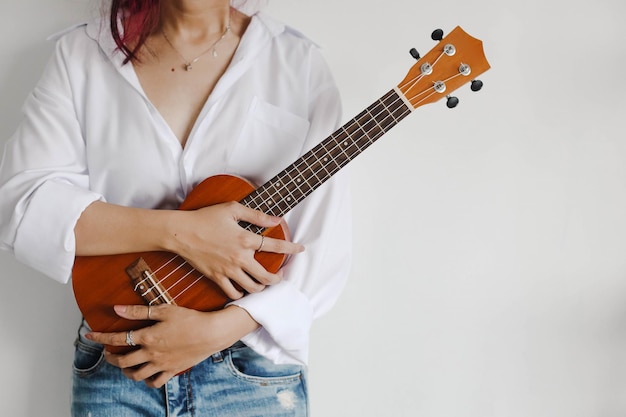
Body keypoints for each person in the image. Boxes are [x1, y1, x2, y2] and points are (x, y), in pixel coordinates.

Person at [0, 0, 352, 415]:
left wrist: (219, 329)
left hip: (251, 372)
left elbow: (321, 246)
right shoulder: (83, 52)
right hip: (120, 359)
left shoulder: (297, 62)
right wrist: (183, 233)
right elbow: (22, 205)